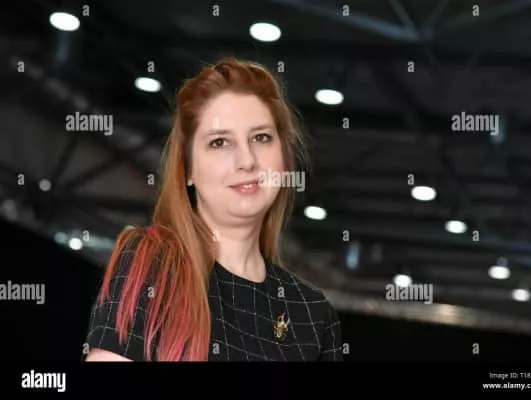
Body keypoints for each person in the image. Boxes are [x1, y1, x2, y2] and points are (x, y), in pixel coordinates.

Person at [83, 57, 344, 362]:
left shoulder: (313, 313)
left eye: (261, 138)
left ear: (284, 160)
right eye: (220, 142)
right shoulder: (154, 265)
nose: (246, 160)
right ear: (188, 170)